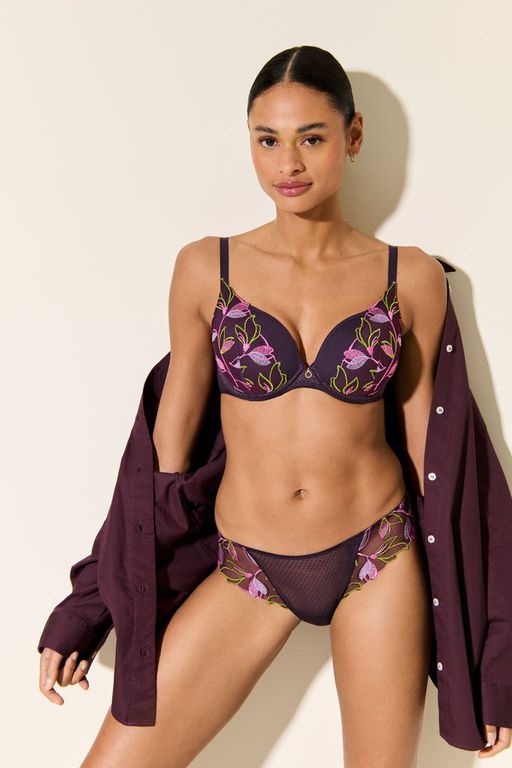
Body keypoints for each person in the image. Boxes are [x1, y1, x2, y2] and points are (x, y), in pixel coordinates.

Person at [38, 45, 510, 765]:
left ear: (353, 136)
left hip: (377, 556)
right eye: (268, 140)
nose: (288, 163)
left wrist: (492, 667)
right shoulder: (207, 267)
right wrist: (89, 606)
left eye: (311, 138)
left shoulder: (409, 276)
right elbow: (161, 469)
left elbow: (441, 474)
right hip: (247, 566)